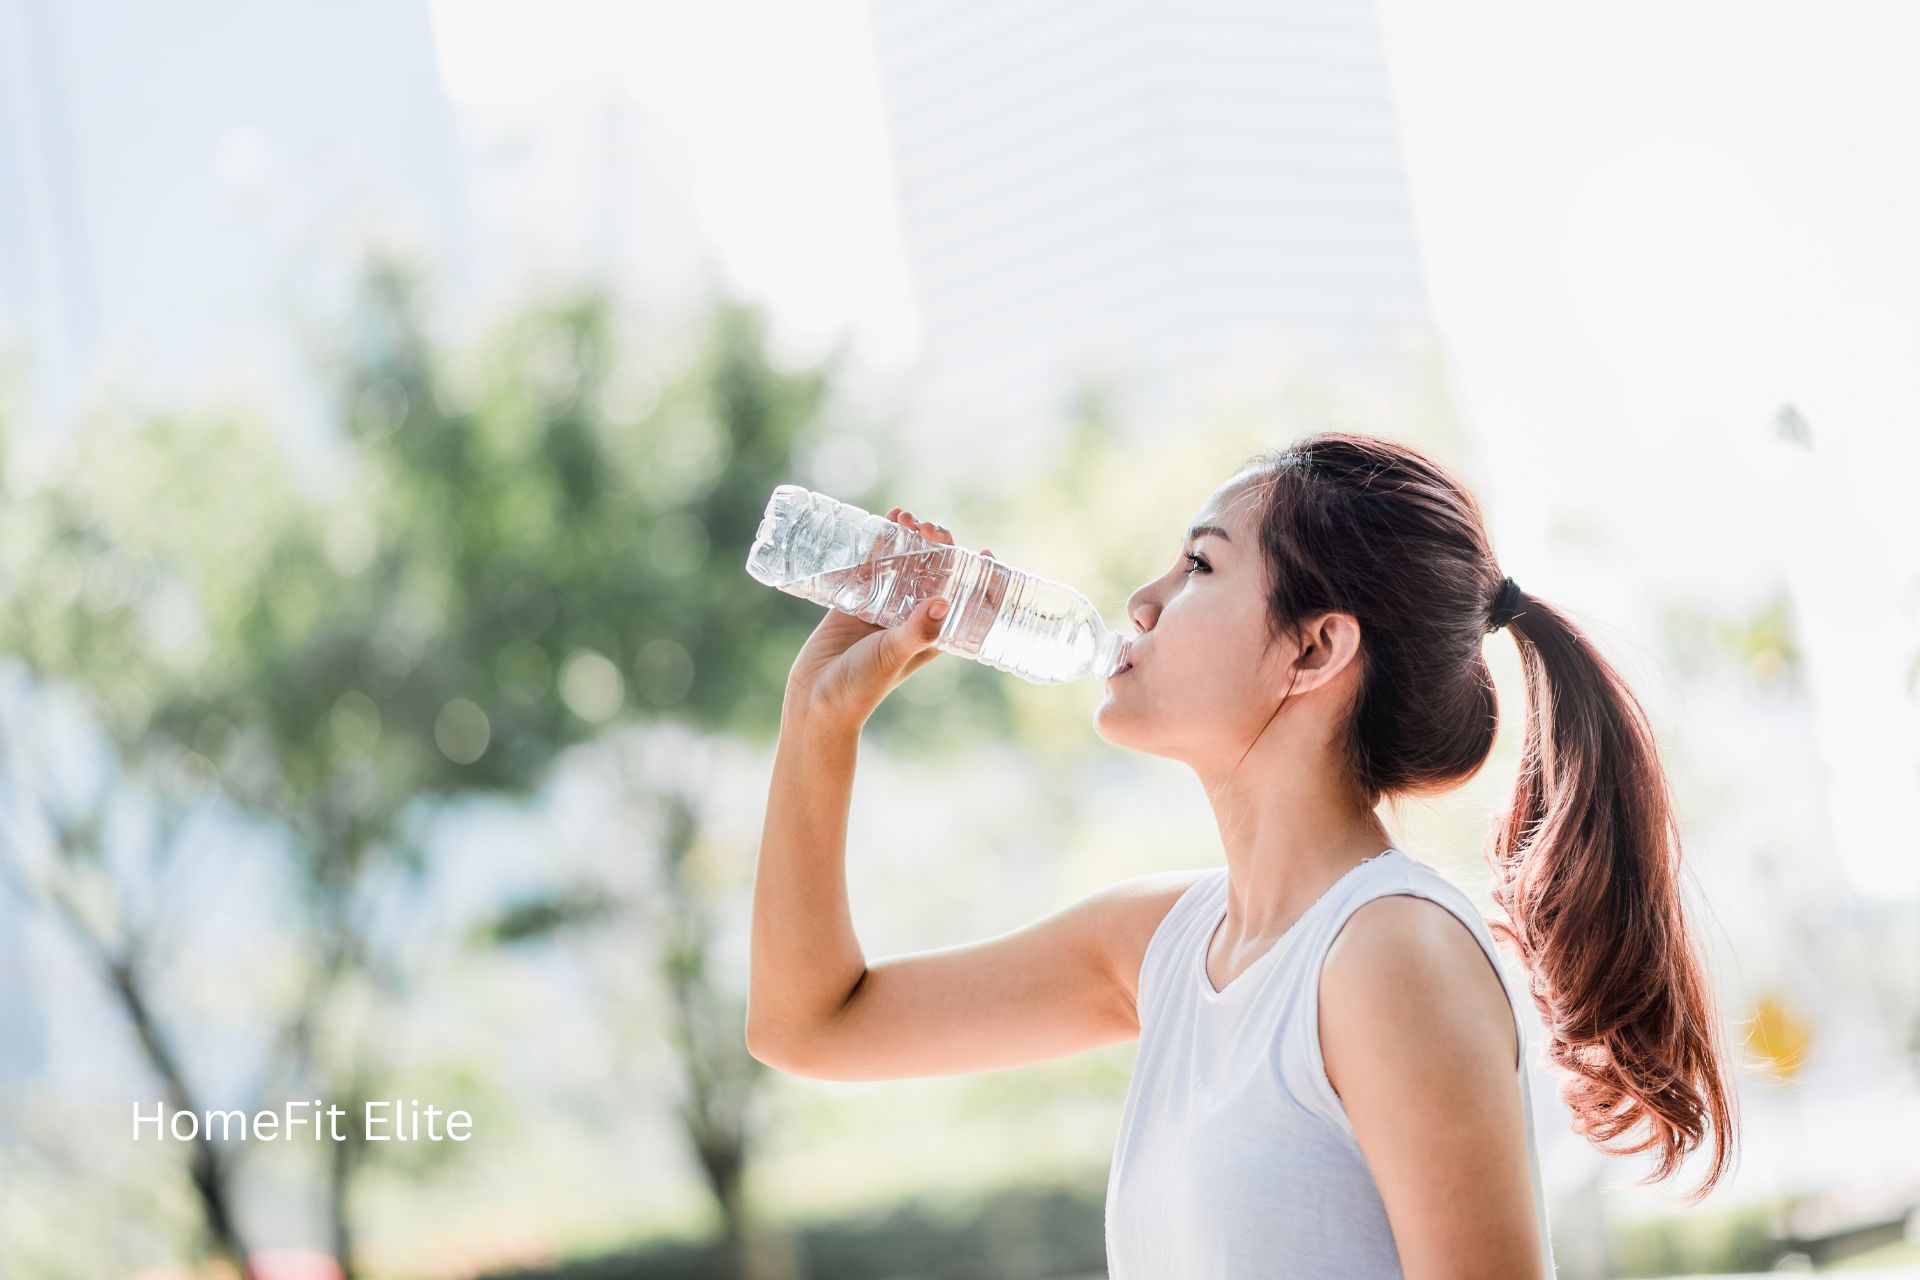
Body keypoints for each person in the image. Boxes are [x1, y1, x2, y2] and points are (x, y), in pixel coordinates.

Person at [748, 431, 1739, 1278]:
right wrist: (818, 718)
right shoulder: (1162, 944)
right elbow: (810, 1024)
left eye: (1201, 566)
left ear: (1315, 648)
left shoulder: (1390, 954)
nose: (1142, 600)